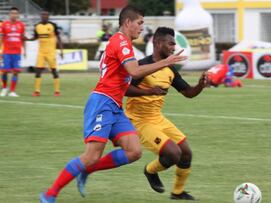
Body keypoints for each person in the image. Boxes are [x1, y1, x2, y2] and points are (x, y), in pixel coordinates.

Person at [39, 6, 187, 203]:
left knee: (134, 151)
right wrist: (165, 62)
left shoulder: (124, 44)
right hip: (102, 102)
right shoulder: (120, 42)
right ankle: (50, 194)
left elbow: (128, 76)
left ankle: (88, 170)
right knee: (91, 155)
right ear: (127, 23)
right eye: (140, 23)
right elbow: (134, 72)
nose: (142, 28)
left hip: (115, 106)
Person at [125, 27, 208, 200]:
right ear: (157, 43)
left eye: (174, 44)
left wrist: (200, 85)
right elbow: (125, 89)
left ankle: (177, 192)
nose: (173, 47)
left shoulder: (170, 69)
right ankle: (150, 171)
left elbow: (188, 93)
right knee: (173, 153)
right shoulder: (141, 66)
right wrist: (149, 91)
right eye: (170, 43)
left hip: (157, 118)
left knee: (186, 153)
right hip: (139, 121)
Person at [31, 11, 63, 97]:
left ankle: (57, 91)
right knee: (38, 71)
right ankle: (37, 91)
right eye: (43, 15)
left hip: (51, 52)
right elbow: (35, 37)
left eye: (46, 15)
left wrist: (61, 50)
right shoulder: (37, 26)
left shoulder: (53, 25)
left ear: (48, 16)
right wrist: (27, 39)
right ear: (40, 16)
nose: (44, 16)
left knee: (54, 71)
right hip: (41, 52)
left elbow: (58, 37)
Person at [0, 7, 26, 97]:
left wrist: (24, 49)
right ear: (9, 14)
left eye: (15, 13)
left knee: (15, 72)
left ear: (18, 15)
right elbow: (1, 38)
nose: (14, 15)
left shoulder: (21, 25)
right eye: (12, 13)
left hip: (17, 52)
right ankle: (4, 88)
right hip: (6, 52)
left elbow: (22, 39)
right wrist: (0, 50)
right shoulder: (4, 24)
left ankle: (12, 91)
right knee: (4, 71)